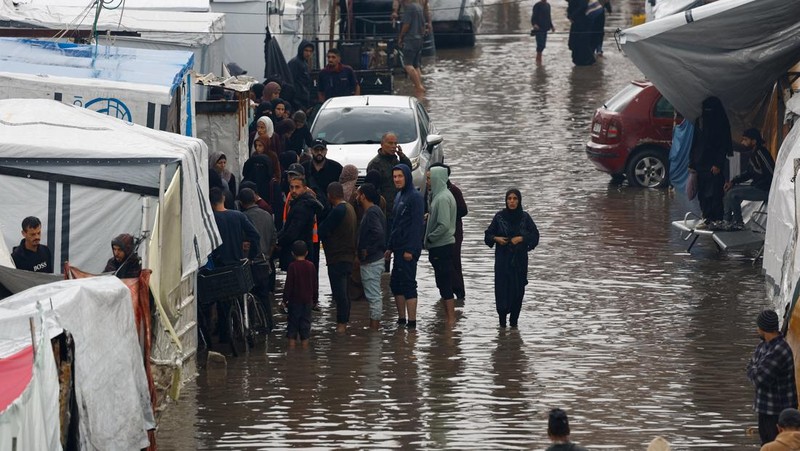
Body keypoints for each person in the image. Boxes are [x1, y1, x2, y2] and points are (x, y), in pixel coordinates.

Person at [484, 189, 540, 328]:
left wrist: (521, 238)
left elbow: (535, 236)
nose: (512, 201)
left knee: (518, 292)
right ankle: (502, 327)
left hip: (519, 262)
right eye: (509, 198)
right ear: (506, 200)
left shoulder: (525, 218)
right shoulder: (499, 217)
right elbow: (487, 236)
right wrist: (497, 239)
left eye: (515, 199)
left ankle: (514, 328)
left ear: (519, 200)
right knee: (502, 292)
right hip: (503, 262)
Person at [747, 310, 798, 445]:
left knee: (776, 445)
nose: (757, 329)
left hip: (778, 412)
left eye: (758, 326)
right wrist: (755, 370)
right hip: (764, 408)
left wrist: (755, 370)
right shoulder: (763, 346)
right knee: (765, 443)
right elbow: (750, 368)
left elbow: (760, 380)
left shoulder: (779, 349)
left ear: (764, 328)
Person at [386, 164, 424, 329]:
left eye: (400, 176)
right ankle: (401, 320)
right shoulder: (399, 196)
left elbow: (417, 226)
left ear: (407, 177)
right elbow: (395, 224)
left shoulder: (414, 197)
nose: (397, 179)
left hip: (408, 249)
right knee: (395, 284)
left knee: (408, 284)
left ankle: (412, 322)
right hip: (397, 248)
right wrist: (389, 247)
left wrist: (411, 250)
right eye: (394, 177)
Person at [318, 182, 357, 332]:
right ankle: (344, 324)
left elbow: (323, 230)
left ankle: (341, 326)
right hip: (348, 257)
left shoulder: (338, 210)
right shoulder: (350, 208)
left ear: (330, 195)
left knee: (340, 293)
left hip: (338, 257)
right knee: (345, 293)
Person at [718, 128, 775, 231]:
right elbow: (749, 173)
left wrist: (762, 184)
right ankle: (726, 220)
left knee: (733, 194)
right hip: (757, 186)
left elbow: (772, 171)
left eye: (745, 139)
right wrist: (733, 181)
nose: (743, 142)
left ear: (754, 141)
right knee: (730, 191)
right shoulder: (753, 153)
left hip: (764, 189)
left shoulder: (761, 153)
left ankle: (738, 223)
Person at [367, 132, 413, 256]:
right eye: (390, 143)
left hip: (398, 208)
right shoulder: (375, 164)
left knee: (399, 244)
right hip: (384, 211)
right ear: (382, 144)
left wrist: (402, 156)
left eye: (395, 143)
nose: (393, 146)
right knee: (385, 246)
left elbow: (408, 170)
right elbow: (372, 189)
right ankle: (385, 271)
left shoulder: (396, 161)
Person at [690, 96, 732, 227]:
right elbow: (694, 142)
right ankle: (706, 216)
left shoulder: (721, 123)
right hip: (700, 163)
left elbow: (723, 145)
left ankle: (716, 218)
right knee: (702, 192)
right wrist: (691, 163)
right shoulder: (700, 121)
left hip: (714, 164)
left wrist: (718, 163)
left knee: (714, 193)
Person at [429, 163, 468, 300]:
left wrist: (447, 213)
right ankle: (447, 292)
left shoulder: (452, 191)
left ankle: (459, 291)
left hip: (454, 231)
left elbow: (464, 210)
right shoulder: (434, 192)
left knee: (454, 261)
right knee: (443, 263)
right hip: (440, 233)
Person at [424, 166, 457, 325]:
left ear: (437, 178)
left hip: (441, 246)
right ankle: (448, 319)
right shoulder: (439, 196)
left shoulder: (443, 198)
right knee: (442, 283)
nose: (427, 181)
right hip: (441, 245)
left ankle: (451, 320)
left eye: (430, 178)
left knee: (444, 284)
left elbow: (443, 225)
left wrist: (430, 237)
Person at [357, 183, 387, 330]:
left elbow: (379, 234)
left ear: (363, 196)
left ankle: (374, 331)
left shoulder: (372, 212)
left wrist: (368, 250)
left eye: (358, 194)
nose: (357, 197)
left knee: (373, 297)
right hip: (375, 260)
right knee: (374, 295)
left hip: (372, 261)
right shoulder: (375, 211)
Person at [209, 187, 260, 266]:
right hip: (237, 264)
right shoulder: (238, 215)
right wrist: (251, 257)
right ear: (223, 198)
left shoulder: (211, 219)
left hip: (218, 266)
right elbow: (255, 235)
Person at [284, 240, 317, 349]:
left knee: (292, 327)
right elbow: (314, 284)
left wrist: (284, 300)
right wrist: (315, 300)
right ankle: (304, 352)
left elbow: (288, 285)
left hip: (294, 302)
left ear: (292, 253)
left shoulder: (292, 266)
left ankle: (291, 353)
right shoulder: (311, 266)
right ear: (307, 252)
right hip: (307, 302)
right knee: (305, 326)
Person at [397, 0, 426, 92]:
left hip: (410, 39)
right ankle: (419, 85)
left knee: (408, 65)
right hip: (419, 39)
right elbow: (423, 26)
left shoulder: (409, 8)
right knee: (416, 65)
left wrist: (400, 37)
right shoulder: (419, 7)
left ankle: (418, 87)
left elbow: (406, 24)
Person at [287, 40, 315, 112]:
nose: (308, 53)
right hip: (297, 103)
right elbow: (291, 84)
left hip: (303, 101)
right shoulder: (295, 63)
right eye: (306, 50)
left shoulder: (304, 63)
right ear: (301, 50)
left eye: (310, 51)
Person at [567, 0, 595, 66]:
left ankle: (585, 61)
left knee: (581, 42)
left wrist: (572, 15)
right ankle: (580, 60)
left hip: (582, 22)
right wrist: (569, 15)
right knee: (575, 42)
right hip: (576, 22)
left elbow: (583, 6)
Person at [531, 0, 555, 65]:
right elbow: (534, 16)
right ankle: (538, 60)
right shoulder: (537, 5)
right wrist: (534, 24)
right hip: (539, 28)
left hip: (545, 28)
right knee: (540, 44)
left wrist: (552, 26)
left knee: (543, 45)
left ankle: (539, 59)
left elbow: (549, 17)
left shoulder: (548, 5)